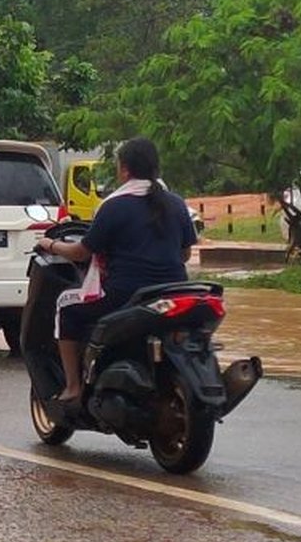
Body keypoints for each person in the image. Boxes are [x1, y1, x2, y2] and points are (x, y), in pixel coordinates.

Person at [39, 138, 197, 403]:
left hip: (125, 296)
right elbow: (185, 253)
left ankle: (74, 386)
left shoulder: (113, 206)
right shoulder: (176, 203)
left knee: (66, 311)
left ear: (124, 169)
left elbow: (82, 252)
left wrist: (51, 245)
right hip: (174, 293)